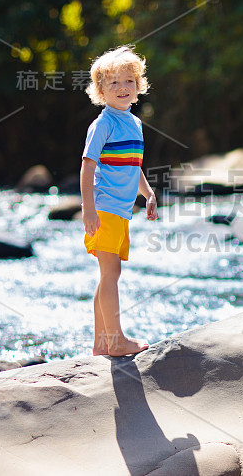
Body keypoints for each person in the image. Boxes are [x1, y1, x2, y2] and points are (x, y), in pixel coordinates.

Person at [80, 45, 157, 356]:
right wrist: (88, 210)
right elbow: (87, 166)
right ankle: (116, 340)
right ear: (101, 90)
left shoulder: (134, 123)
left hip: (121, 211)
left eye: (129, 81)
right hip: (104, 209)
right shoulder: (103, 124)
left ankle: (101, 343)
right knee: (110, 272)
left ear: (138, 86)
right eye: (114, 83)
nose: (123, 88)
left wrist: (148, 193)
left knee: (109, 273)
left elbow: (132, 165)